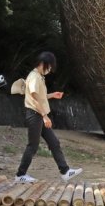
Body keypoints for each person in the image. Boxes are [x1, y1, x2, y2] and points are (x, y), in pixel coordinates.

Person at [13, 52, 82, 184]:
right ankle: (20, 175)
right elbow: (33, 98)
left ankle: (65, 171)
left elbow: (40, 96)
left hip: (38, 114)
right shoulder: (34, 77)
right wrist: (45, 116)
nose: (50, 70)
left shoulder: (39, 76)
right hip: (35, 115)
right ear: (43, 64)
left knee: (54, 143)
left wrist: (52, 95)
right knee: (32, 146)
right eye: (49, 67)